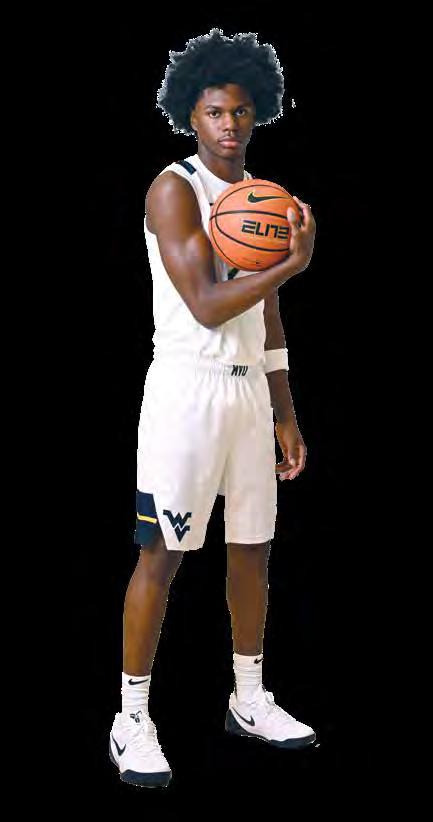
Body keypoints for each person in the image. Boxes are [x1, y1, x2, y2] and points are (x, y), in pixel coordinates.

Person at [109, 29, 316, 788]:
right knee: (161, 554)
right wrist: (292, 263)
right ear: (188, 117)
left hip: (247, 390)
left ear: (258, 112)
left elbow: (267, 317)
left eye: (240, 111)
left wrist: (284, 410)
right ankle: (132, 717)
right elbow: (203, 303)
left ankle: (248, 698)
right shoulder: (174, 189)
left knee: (252, 548)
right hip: (186, 392)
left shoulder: (260, 198)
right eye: (213, 112)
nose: (228, 124)